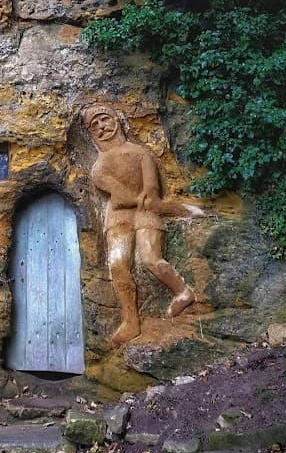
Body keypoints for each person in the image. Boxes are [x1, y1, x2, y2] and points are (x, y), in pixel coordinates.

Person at [83, 103, 203, 344]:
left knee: (150, 258)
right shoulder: (98, 167)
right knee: (117, 265)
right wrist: (145, 200)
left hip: (145, 214)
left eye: (104, 119)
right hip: (118, 218)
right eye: (94, 125)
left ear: (116, 120)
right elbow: (120, 197)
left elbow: (151, 191)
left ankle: (182, 292)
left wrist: (150, 200)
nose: (101, 127)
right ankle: (131, 320)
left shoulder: (140, 154)